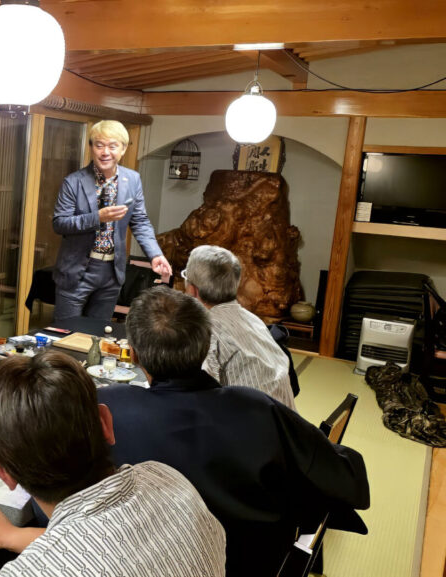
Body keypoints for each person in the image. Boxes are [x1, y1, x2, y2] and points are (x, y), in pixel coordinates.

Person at [98, 287, 370, 577]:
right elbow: (348, 479)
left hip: (143, 564)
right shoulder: (256, 407)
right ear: (206, 345)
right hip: (252, 565)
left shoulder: (108, 409)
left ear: (135, 355)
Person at [0, 352, 226, 577]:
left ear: (3, 472)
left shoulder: (30, 572)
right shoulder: (168, 480)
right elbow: (107, 545)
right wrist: (10, 535)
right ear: (106, 423)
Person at [52, 119, 171, 321]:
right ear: (91, 148)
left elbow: (140, 221)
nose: (105, 152)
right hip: (77, 272)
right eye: (99, 145)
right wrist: (97, 217)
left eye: (112, 146)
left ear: (123, 149)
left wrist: (155, 254)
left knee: (98, 335)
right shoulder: (73, 182)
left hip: (112, 272)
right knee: (65, 334)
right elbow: (60, 223)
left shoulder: (132, 179)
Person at [183, 244, 296, 409]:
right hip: (286, 426)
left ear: (192, 290)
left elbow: (200, 400)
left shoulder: (206, 331)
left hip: (252, 430)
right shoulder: (253, 320)